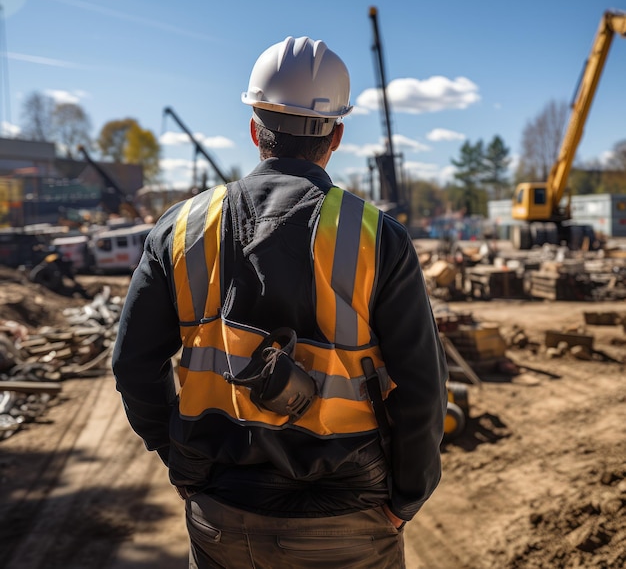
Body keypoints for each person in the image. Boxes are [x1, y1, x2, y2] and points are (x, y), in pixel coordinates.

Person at [112, 36, 447, 569]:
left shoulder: (180, 229)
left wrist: (181, 459)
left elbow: (131, 363)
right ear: (336, 136)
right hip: (346, 516)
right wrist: (407, 497)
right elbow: (424, 387)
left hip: (222, 511)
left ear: (254, 129)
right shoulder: (378, 238)